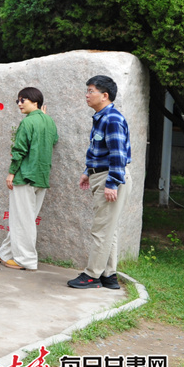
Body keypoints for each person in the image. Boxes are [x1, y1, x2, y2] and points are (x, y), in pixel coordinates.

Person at [68, 75, 132, 290]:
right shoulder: (101, 117)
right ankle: (108, 275)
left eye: (91, 91)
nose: (87, 95)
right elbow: (99, 149)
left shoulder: (112, 118)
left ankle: (92, 275)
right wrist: (88, 171)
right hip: (101, 174)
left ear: (105, 95)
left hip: (110, 176)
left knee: (101, 230)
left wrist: (112, 183)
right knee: (108, 229)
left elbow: (118, 154)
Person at [0, 87, 58, 271]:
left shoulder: (27, 123)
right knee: (24, 218)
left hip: (25, 176)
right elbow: (54, 139)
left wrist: (11, 172)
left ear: (35, 102)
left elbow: (20, 150)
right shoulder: (49, 121)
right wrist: (44, 117)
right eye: (18, 101)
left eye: (23, 100)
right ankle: (6, 252)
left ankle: (26, 260)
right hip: (41, 177)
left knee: (22, 219)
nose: (19, 104)